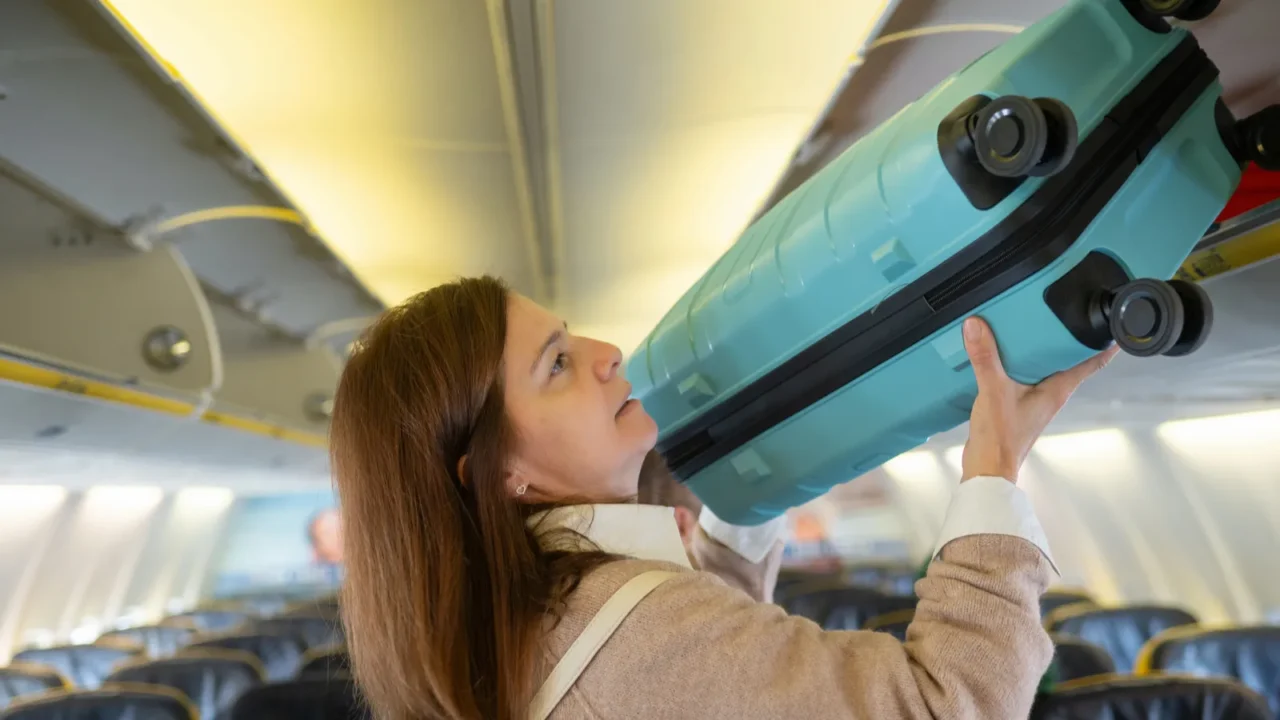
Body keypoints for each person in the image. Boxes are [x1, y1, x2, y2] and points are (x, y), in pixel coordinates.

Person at [330, 275, 1117, 720]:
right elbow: (950, 705)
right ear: (503, 473)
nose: (608, 355)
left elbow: (697, 683)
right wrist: (993, 465)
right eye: (558, 364)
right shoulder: (629, 629)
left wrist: (760, 485)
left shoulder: (537, 621)